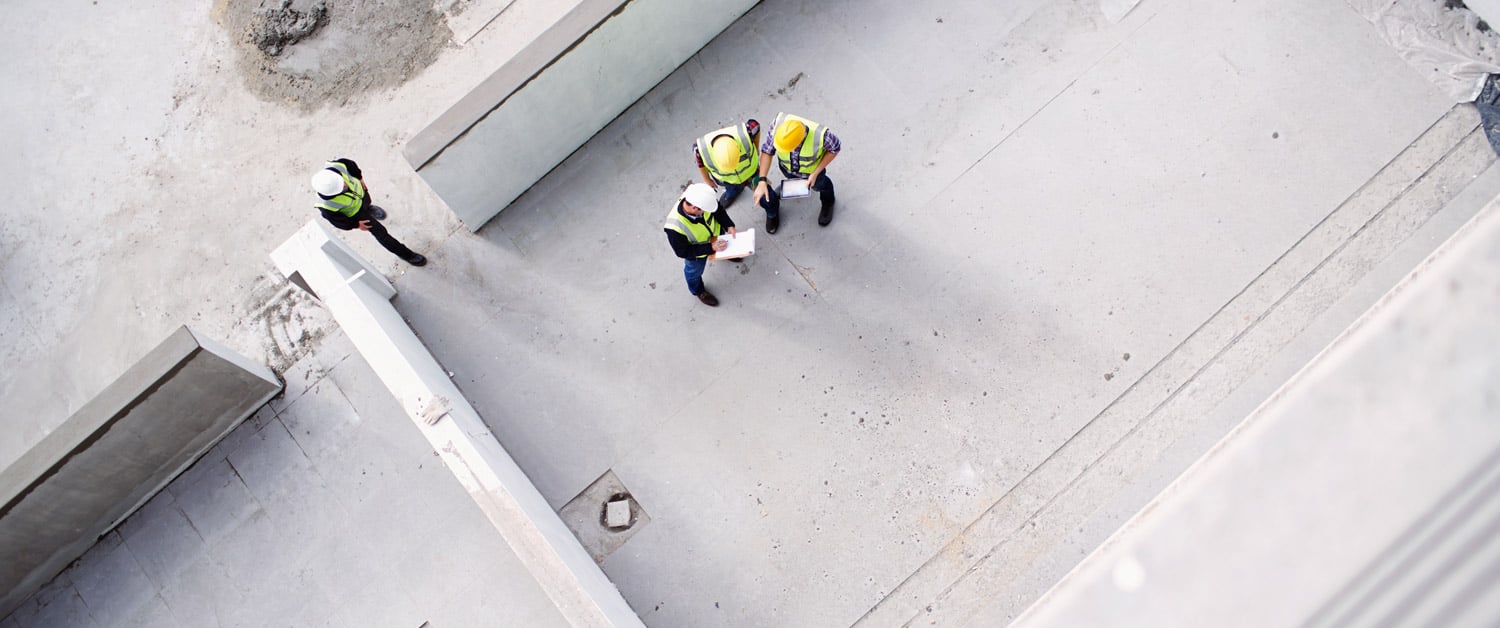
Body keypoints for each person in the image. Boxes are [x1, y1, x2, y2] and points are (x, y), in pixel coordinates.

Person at [311, 159, 427, 266]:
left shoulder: (336, 167)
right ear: (332, 194)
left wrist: (359, 178)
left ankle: (370, 208)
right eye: (341, 188)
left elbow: (350, 164)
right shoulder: (326, 207)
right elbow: (339, 222)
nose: (345, 185)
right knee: (382, 235)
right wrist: (356, 225)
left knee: (367, 202)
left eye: (342, 182)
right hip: (359, 215)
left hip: (362, 196)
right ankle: (407, 255)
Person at [752, 112, 841, 234]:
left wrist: (815, 173)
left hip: (812, 174)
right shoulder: (778, 126)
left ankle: (828, 202)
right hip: (787, 168)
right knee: (791, 178)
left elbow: (835, 148)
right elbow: (767, 152)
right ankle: (791, 185)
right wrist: (762, 180)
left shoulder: (822, 136)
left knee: (822, 185)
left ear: (799, 142)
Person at [664, 183, 736, 307]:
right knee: (693, 273)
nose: (707, 211)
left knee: (724, 246)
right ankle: (699, 291)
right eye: (705, 210)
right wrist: (710, 248)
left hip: (717, 236)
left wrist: (729, 225)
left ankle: (726, 254)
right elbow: (683, 252)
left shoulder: (700, 199)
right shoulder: (674, 228)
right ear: (695, 208)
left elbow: (718, 211)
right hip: (697, 254)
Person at [693, 119, 762, 209]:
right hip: (728, 180)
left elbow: (756, 127)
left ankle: (771, 210)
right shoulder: (700, 149)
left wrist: (756, 147)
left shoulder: (747, 131)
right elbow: (700, 164)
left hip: (752, 173)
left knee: (764, 192)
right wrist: (707, 180)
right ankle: (733, 192)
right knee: (731, 188)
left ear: (738, 147)